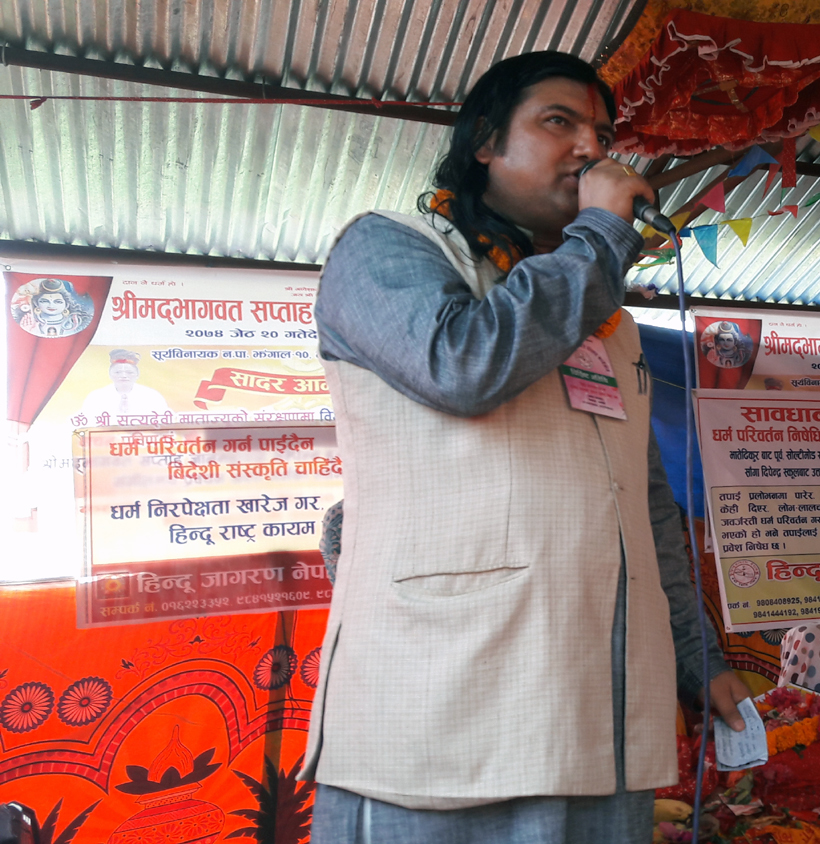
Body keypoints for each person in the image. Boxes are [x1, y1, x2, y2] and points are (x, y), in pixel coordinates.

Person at [301, 51, 749, 844]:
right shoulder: (386, 250)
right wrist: (601, 239)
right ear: (483, 142)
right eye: (558, 123)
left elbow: (645, 509)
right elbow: (464, 365)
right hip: (438, 710)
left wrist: (698, 658)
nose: (592, 150)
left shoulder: (609, 322)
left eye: (603, 133)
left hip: (598, 722)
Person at [78, 350, 172, 424]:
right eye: (117, 372)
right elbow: (86, 421)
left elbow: (164, 422)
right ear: (110, 375)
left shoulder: (152, 396)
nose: (123, 376)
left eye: (129, 372)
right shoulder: (96, 396)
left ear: (137, 375)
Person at [10, 277, 92, 338]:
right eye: (44, 301)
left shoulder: (76, 322)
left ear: (66, 304)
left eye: (58, 302)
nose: (51, 305)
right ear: (36, 303)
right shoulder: (28, 322)